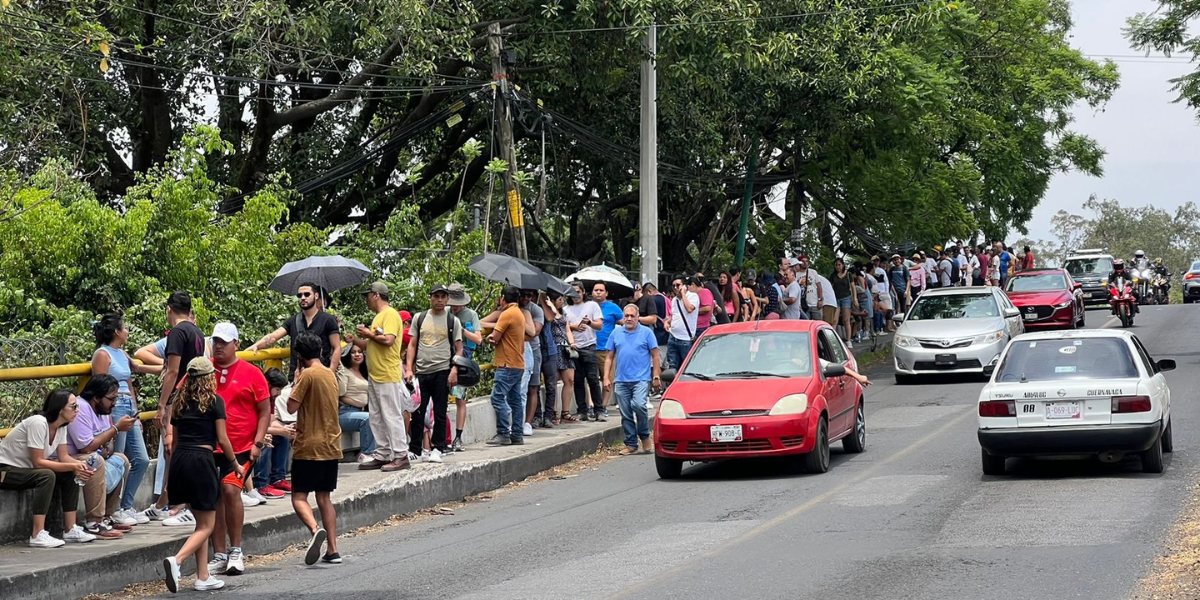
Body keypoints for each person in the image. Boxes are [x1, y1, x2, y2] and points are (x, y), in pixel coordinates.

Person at [160, 358, 242, 593]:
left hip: (179, 462)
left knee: (199, 523)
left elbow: (173, 442)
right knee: (208, 525)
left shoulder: (178, 403)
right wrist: (235, 464)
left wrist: (167, 478)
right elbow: (223, 439)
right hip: (201, 461)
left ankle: (203, 576)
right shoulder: (216, 402)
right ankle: (177, 561)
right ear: (209, 378)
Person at [208, 322, 270, 577]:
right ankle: (220, 554)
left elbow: (265, 410)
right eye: (215, 341)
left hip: (242, 447)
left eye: (224, 342)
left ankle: (236, 550)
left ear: (237, 344)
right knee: (213, 498)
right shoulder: (203, 371)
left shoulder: (252, 373)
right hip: (209, 447)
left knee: (230, 490)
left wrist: (258, 442)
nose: (219, 346)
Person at [0, 389, 98, 547]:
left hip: (26, 470)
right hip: (5, 470)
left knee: (69, 473)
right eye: (73, 407)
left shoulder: (62, 426)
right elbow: (38, 462)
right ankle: (37, 533)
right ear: (60, 409)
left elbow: (64, 457)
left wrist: (79, 467)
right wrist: (72, 465)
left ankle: (70, 528)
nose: (77, 411)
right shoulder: (38, 423)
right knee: (46, 475)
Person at [89, 314, 160, 526]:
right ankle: (112, 510)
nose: (127, 331)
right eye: (125, 328)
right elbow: (99, 387)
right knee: (118, 458)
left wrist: (136, 413)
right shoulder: (102, 354)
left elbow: (129, 383)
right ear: (117, 332)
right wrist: (106, 418)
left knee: (141, 459)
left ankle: (126, 506)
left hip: (127, 406)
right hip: (114, 406)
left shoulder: (121, 353)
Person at [286, 332, 344, 566]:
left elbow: (291, 406)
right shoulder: (330, 374)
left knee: (299, 496)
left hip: (309, 445)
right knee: (324, 497)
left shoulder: (307, 375)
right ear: (320, 351)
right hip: (331, 444)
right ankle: (333, 549)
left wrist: (297, 378)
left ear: (299, 356)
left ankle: (314, 528)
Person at [151, 291, 206, 521]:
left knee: (174, 449)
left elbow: (173, 371)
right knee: (177, 450)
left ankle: (180, 505)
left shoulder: (177, 332)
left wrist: (162, 405)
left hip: (179, 398)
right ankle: (165, 502)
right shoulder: (197, 332)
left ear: (169, 310)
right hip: (196, 395)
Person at [350, 282, 411, 472]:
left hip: (387, 373)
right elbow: (372, 344)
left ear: (376, 295)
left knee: (391, 415)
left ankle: (400, 454)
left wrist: (368, 333)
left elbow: (389, 340)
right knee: (376, 416)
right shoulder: (378, 317)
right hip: (376, 374)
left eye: (367, 295)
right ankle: (383, 453)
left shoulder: (390, 315)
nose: (366, 299)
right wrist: (356, 340)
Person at [67, 375, 134, 539]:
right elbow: (86, 446)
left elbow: (107, 446)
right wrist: (116, 429)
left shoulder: (104, 410)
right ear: (96, 397)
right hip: (69, 458)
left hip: (92, 456)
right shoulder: (80, 408)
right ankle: (94, 522)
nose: (114, 403)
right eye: (111, 399)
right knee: (94, 460)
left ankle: (107, 516)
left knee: (121, 459)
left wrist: (105, 444)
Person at [405, 285, 463, 464]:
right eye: (436, 296)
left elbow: (459, 349)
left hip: (442, 371)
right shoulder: (419, 318)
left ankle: (438, 448)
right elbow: (412, 344)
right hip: (422, 372)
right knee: (417, 412)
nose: (439, 300)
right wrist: (408, 368)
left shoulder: (453, 321)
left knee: (439, 412)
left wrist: (454, 370)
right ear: (430, 298)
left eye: (443, 297)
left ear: (447, 300)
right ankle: (414, 449)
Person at [602, 304, 661, 456]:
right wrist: (606, 377)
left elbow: (655, 355)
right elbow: (609, 357)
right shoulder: (616, 333)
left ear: (637, 317)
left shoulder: (646, 333)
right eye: (626, 316)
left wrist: (656, 376)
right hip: (621, 380)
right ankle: (631, 444)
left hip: (641, 378)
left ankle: (644, 435)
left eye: (632, 316)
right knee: (626, 413)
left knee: (639, 405)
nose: (629, 319)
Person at [247, 283, 341, 378]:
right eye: (299, 295)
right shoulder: (293, 321)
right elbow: (274, 336)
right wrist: (256, 345)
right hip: (296, 376)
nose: (303, 298)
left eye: (307, 294)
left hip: (320, 376)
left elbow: (336, 347)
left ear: (316, 296)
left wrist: (330, 373)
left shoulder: (328, 320)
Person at [487, 286, 534, 445]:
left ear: (502, 299)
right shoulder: (519, 314)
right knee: (515, 400)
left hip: (507, 363)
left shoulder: (507, 313)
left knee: (497, 397)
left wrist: (490, 338)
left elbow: (495, 337)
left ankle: (503, 433)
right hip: (518, 363)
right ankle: (517, 434)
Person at [447, 283, 482, 451]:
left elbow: (478, 339)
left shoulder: (471, 315)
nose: (454, 307)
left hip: (463, 360)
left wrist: (461, 329)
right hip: (444, 356)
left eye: (457, 303)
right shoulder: (445, 313)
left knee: (460, 398)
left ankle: (458, 437)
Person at [563, 283, 603, 421]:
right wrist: (573, 327)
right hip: (574, 348)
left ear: (584, 292)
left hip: (589, 346)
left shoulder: (592, 306)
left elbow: (600, 325)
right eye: (573, 293)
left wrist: (589, 323)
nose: (576, 296)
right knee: (578, 381)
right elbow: (564, 327)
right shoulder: (566, 309)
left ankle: (599, 410)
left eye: (578, 292)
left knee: (593, 379)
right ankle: (582, 411)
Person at [253, 368, 294, 500]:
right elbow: (257, 426)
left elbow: (271, 421)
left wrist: (285, 429)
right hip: (251, 433)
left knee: (282, 438)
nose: (279, 393)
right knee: (265, 441)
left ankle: (277, 479)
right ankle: (261, 484)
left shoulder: (271, 399)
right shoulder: (258, 396)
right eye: (277, 389)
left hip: (259, 430)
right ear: (268, 384)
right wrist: (281, 430)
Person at [336, 347, 374, 462]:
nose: (357, 354)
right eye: (353, 352)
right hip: (344, 412)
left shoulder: (364, 372)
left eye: (360, 352)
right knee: (368, 418)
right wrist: (358, 403)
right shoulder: (345, 372)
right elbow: (339, 394)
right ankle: (366, 453)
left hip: (358, 412)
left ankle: (380, 452)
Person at [591, 282, 623, 415]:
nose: (598, 292)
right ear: (592, 292)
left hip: (606, 349)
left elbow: (624, 323)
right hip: (589, 347)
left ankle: (603, 406)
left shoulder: (613, 307)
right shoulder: (588, 306)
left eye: (601, 290)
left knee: (607, 379)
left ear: (606, 293)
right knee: (590, 379)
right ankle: (591, 406)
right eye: (596, 290)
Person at [546, 291, 578, 423]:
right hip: (554, 347)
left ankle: (566, 411)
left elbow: (567, 329)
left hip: (565, 348)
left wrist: (572, 343)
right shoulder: (549, 312)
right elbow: (553, 318)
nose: (562, 301)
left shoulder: (564, 313)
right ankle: (554, 412)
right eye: (559, 299)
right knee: (553, 381)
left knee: (569, 380)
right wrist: (549, 304)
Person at [537, 292, 561, 428]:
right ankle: (537, 416)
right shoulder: (527, 308)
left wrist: (543, 300)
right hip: (536, 350)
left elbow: (550, 317)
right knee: (534, 386)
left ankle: (548, 417)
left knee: (551, 386)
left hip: (550, 350)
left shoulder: (544, 307)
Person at [666, 276, 700, 370]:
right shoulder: (674, 300)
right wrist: (668, 322)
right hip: (673, 336)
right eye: (673, 286)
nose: (675, 288)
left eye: (678, 285)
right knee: (672, 366)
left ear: (684, 286)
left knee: (687, 367)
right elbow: (675, 315)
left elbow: (689, 309)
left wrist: (683, 294)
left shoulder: (693, 296)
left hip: (685, 339)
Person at [830, 258, 855, 341]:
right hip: (836, 298)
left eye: (839, 265)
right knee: (834, 320)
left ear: (843, 265)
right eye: (836, 265)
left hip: (846, 298)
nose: (838, 267)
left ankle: (848, 339)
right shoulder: (833, 276)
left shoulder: (848, 274)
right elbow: (830, 287)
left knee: (846, 320)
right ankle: (833, 339)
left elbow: (853, 286)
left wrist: (855, 298)